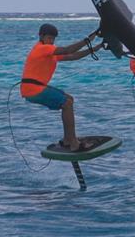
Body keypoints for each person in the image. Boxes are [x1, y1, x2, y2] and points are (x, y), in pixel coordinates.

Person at [20, 23, 103, 152]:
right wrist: (87, 40)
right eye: (49, 38)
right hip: (33, 89)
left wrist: (96, 48)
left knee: (69, 99)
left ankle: (67, 140)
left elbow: (72, 56)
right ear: (41, 36)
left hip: (34, 88)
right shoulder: (42, 48)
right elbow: (67, 50)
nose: (51, 41)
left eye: (53, 39)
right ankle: (74, 143)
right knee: (66, 103)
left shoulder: (49, 50)